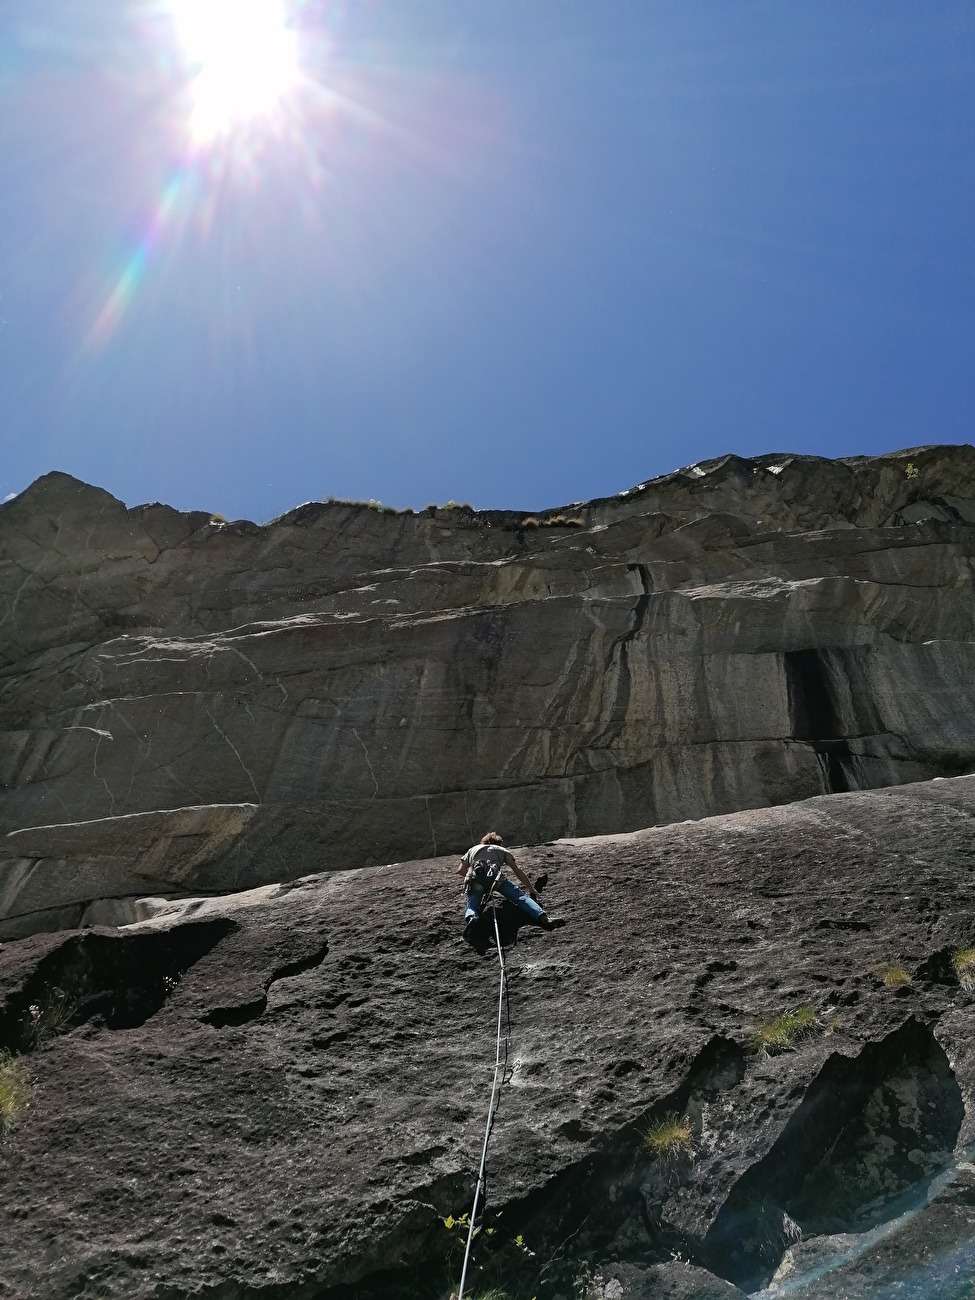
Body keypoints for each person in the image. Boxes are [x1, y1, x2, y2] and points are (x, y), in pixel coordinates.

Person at [457, 831, 556, 939]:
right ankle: (543, 917)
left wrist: (479, 883)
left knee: (472, 904)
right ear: (498, 843)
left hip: (475, 876)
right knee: (520, 897)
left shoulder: (473, 849)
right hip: (495, 877)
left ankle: (471, 917)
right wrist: (531, 888)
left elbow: (461, 870)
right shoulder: (502, 850)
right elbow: (517, 871)